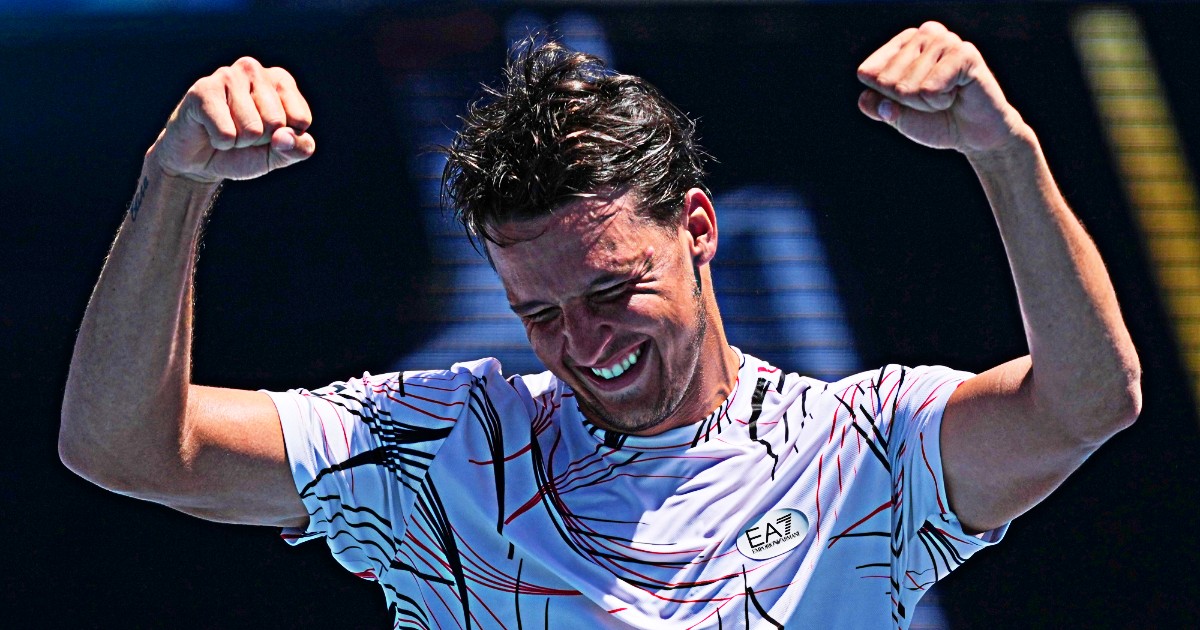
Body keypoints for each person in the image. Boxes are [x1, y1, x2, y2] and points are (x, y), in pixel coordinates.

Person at [60, 21, 1140, 629]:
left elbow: (1089, 401)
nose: (584, 346)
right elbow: (125, 447)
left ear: (698, 229)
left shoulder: (858, 446)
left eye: (613, 292)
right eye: (538, 312)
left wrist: (1006, 155)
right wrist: (176, 182)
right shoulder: (440, 450)